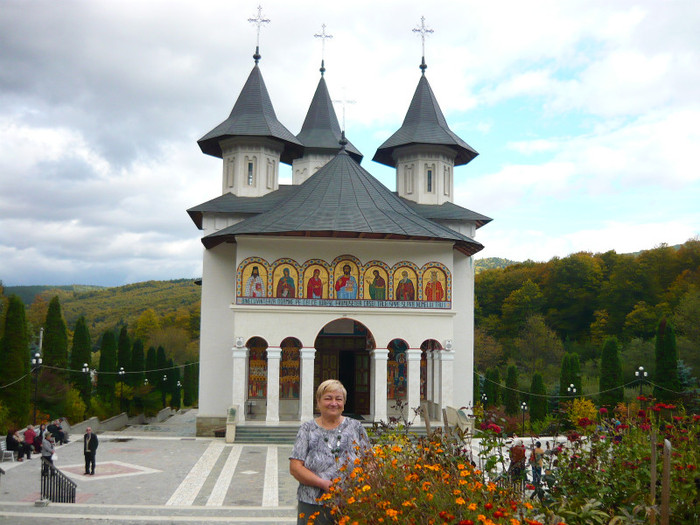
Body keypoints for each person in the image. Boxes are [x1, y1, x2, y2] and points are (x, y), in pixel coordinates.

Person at [290, 379, 369, 525]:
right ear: (318, 402)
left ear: (344, 403)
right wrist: (323, 483)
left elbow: (369, 463)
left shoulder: (356, 427)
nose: (334, 403)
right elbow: (295, 467)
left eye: (338, 399)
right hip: (312, 502)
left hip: (351, 500)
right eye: (328, 398)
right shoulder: (307, 429)